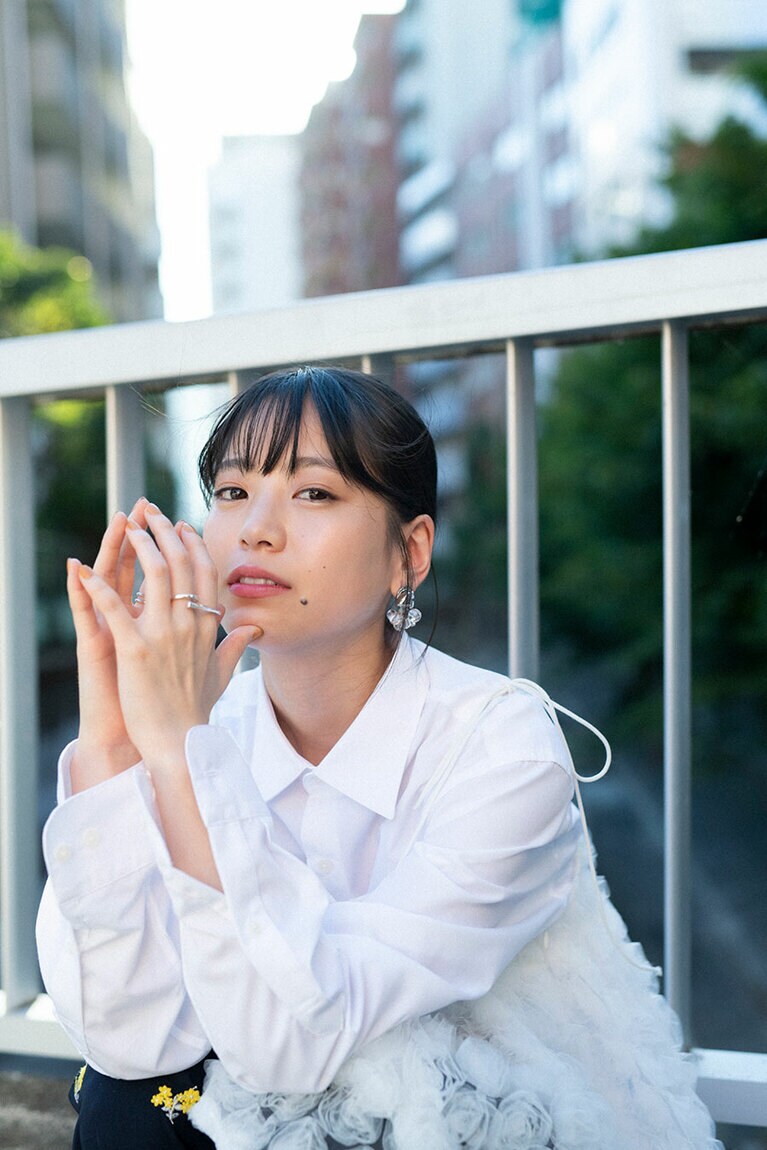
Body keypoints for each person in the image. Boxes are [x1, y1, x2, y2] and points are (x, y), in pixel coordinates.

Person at [37, 366, 721, 1150]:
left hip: (480, 1112)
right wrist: (117, 740)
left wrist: (183, 758)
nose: (256, 528)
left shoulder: (499, 747)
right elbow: (125, 1037)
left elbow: (293, 1044)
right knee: (128, 1104)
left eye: (314, 494)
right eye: (231, 493)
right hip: (285, 1079)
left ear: (410, 553)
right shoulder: (203, 721)